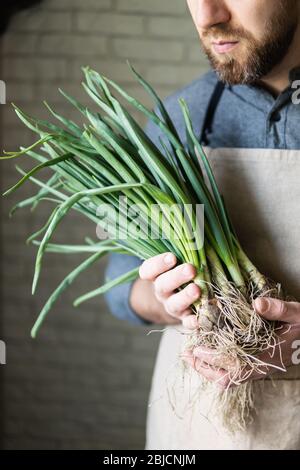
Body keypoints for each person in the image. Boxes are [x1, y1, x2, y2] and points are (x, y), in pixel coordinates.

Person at [105, 0, 300, 449]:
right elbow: (118, 280)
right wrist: (165, 300)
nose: (207, 15)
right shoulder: (175, 119)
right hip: (199, 434)